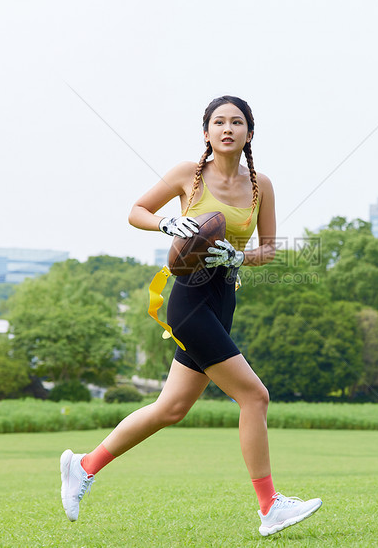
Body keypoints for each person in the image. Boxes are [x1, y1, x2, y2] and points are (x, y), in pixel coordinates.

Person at [59, 95, 322, 536]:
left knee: (171, 408)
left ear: (249, 134)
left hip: (223, 300)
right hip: (189, 299)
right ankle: (269, 506)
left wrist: (238, 256)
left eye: (237, 122)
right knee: (255, 397)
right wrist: (166, 224)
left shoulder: (261, 186)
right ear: (206, 133)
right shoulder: (188, 175)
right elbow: (135, 211)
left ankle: (83, 467)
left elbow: (271, 249)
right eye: (218, 122)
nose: (227, 128)